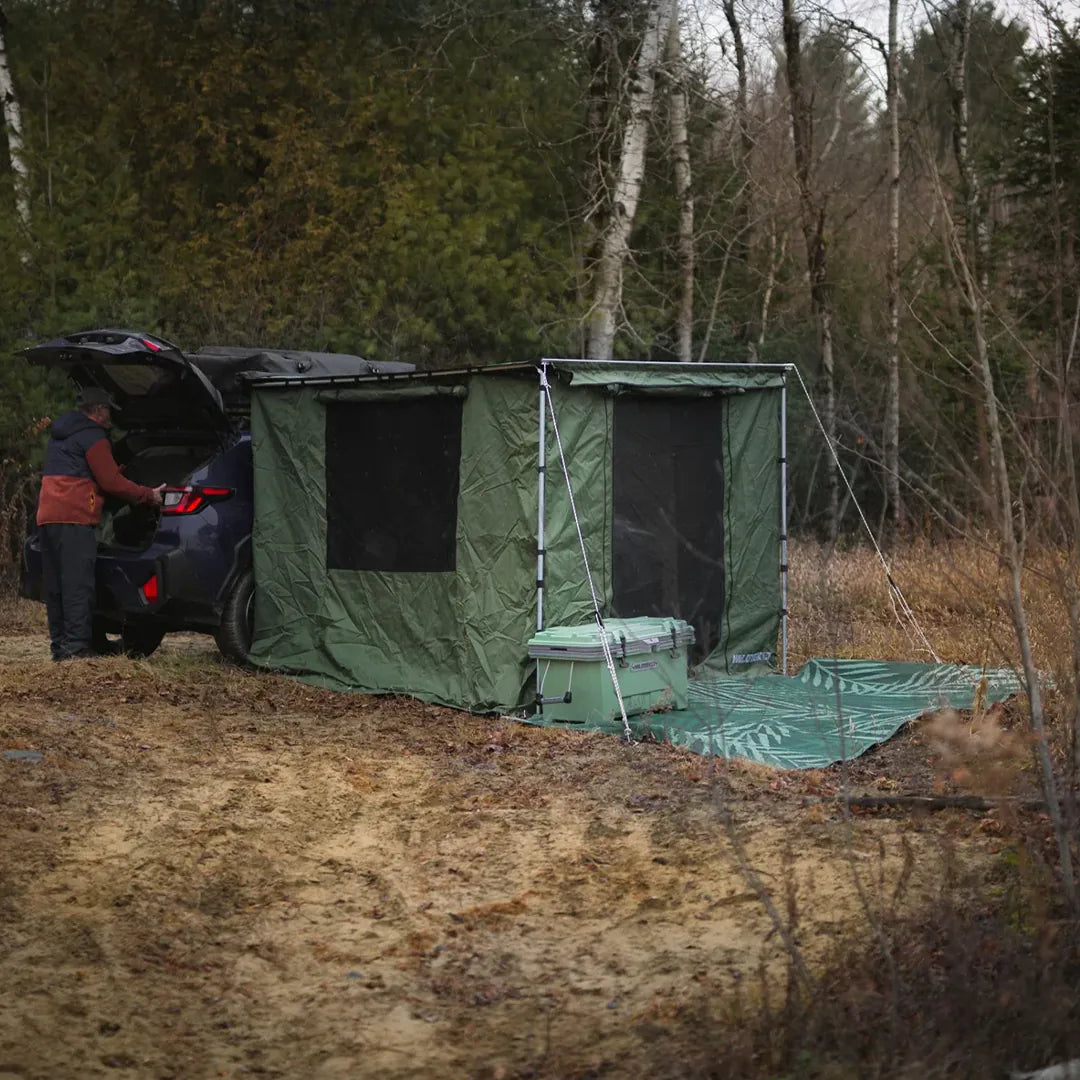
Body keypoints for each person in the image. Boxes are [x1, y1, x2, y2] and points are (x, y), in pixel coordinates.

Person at [36, 387, 164, 661]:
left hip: (48, 516)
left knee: (57, 587)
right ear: (98, 410)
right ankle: (76, 652)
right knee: (77, 587)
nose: (110, 417)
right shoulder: (93, 437)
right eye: (108, 411)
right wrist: (148, 495)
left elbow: (84, 475)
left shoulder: (62, 434)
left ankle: (60, 648)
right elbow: (110, 483)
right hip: (74, 518)